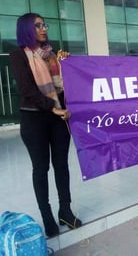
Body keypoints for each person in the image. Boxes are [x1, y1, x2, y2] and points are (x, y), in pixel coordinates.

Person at [10, 13, 82, 238]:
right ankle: (47, 216)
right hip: (34, 119)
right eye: (37, 25)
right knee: (41, 169)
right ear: (26, 30)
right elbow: (27, 90)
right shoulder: (18, 55)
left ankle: (65, 211)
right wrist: (53, 106)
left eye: (44, 25)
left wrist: (66, 64)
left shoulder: (53, 55)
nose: (43, 28)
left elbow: (65, 85)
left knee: (62, 165)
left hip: (58, 117)